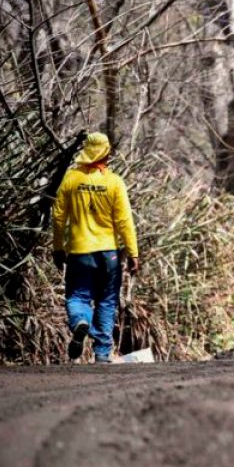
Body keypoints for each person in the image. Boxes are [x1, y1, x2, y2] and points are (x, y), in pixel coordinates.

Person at [51, 132, 140, 364]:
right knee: (107, 301)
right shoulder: (114, 182)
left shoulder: (71, 179)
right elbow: (125, 221)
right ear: (106, 153)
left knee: (77, 297)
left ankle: (81, 321)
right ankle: (102, 353)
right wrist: (133, 252)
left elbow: (58, 217)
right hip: (109, 254)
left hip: (79, 253)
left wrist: (58, 247)